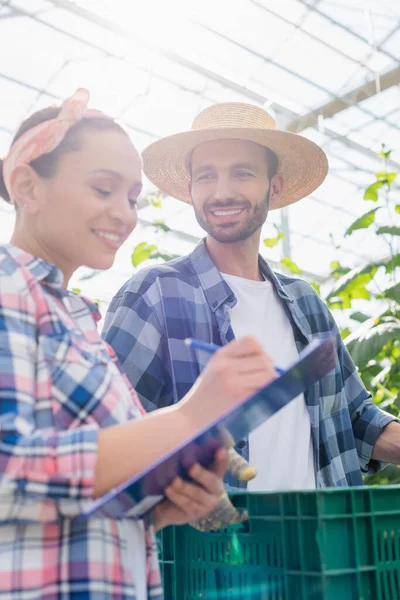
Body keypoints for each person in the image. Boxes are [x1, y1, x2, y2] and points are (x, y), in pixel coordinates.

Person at [0, 91, 277, 599]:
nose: (124, 215)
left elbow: (76, 486)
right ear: (26, 186)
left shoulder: (78, 320)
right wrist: (189, 416)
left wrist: (159, 504)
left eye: (132, 199)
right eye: (104, 189)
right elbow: (9, 473)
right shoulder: (8, 291)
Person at [103, 102, 400, 493]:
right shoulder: (155, 293)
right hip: (216, 548)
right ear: (191, 187)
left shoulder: (306, 304)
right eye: (206, 176)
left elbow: (355, 415)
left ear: (273, 187)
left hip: (320, 545)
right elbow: (109, 438)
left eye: (241, 173)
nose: (221, 192)